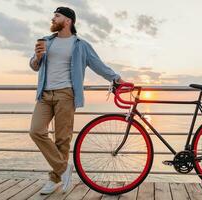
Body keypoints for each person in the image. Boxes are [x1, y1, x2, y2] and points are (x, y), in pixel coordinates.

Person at [29, 6, 124, 195]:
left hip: (66, 94)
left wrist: (117, 79)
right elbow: (33, 66)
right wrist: (38, 57)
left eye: (57, 16)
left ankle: (55, 178)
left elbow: (98, 65)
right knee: (36, 131)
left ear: (68, 21)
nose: (53, 19)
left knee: (62, 140)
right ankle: (64, 169)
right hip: (45, 95)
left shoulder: (80, 44)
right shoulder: (47, 41)